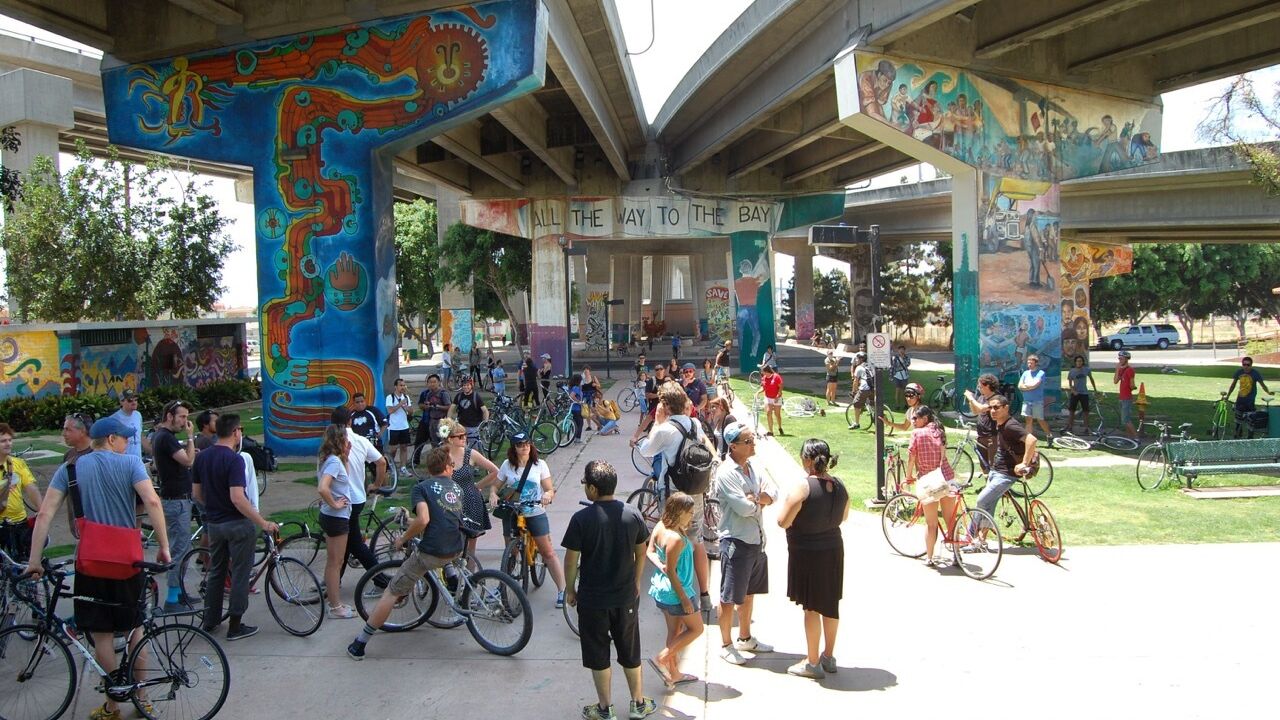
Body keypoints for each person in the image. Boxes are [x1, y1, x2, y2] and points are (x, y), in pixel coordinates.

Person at [26, 417, 169, 720]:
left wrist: (34, 559)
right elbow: (152, 502)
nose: (128, 443)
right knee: (135, 630)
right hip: (128, 561)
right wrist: (164, 546)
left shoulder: (70, 470)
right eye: (125, 438)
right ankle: (143, 699)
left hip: (91, 561)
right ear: (111, 439)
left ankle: (113, 705)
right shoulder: (131, 464)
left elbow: (45, 514)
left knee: (102, 635)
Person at [347, 446, 465, 661]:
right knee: (442, 559)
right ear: (447, 467)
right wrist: (411, 522)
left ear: (429, 468)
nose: (453, 468)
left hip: (432, 551)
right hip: (456, 548)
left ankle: (359, 644)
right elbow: (438, 519)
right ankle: (452, 578)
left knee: (391, 592)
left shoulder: (422, 488)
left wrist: (402, 539)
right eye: (452, 465)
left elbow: (424, 519)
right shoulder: (457, 488)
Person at [562, 461, 656, 720]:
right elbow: (641, 551)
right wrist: (636, 581)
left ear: (593, 489)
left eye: (585, 484)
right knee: (630, 650)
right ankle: (638, 704)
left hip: (592, 600)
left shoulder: (581, 519)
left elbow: (570, 560)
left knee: (598, 653)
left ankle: (605, 709)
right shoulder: (632, 515)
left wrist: (570, 589)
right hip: (625, 597)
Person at [192, 413, 279, 640]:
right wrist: (262, 522)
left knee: (217, 572)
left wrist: (214, 506)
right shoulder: (234, 459)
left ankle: (210, 620)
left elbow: (197, 493)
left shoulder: (202, 457)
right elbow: (238, 498)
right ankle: (235, 625)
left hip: (214, 524)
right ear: (235, 432)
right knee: (240, 574)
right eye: (240, 430)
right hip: (237, 524)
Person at [635, 385, 715, 615]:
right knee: (697, 541)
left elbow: (646, 450)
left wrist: (657, 423)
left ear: (667, 405)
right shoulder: (694, 423)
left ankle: (677, 594)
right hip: (695, 490)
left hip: (674, 493)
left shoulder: (665, 429)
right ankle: (704, 594)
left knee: (672, 542)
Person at [776, 439, 847, 679]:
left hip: (808, 552)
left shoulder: (803, 487)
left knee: (812, 608)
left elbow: (782, 521)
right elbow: (844, 516)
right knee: (830, 604)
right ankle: (829, 656)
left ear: (807, 459)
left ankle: (812, 662)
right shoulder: (840, 485)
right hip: (833, 549)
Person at [713, 422, 775, 666]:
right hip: (736, 542)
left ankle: (745, 638)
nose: (753, 443)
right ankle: (726, 645)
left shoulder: (752, 467)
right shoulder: (727, 473)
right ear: (733, 446)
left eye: (753, 439)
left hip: (756, 541)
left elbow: (773, 492)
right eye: (748, 441)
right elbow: (743, 508)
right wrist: (760, 501)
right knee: (729, 596)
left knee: (749, 593)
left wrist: (756, 498)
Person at [486, 432, 566, 606]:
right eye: (520, 444)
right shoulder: (507, 465)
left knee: (548, 552)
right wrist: (493, 494)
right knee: (510, 552)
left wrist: (547, 495)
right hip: (512, 512)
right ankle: (502, 586)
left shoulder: (540, 465)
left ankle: (562, 590)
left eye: (527, 443)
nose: (524, 447)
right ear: (514, 448)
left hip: (534, 511)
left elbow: (549, 489)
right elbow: (495, 486)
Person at [645, 492, 704, 687]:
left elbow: (650, 551)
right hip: (678, 592)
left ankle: (674, 674)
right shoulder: (676, 538)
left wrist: (661, 566)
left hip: (662, 590)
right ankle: (661, 658)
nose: (692, 515)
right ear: (679, 512)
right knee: (696, 629)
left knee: (674, 631)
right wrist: (685, 599)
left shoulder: (661, 526)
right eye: (690, 512)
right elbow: (672, 571)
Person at [151, 400, 197, 613]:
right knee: (179, 549)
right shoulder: (166, 438)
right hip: (176, 500)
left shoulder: (164, 437)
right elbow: (188, 461)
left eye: (187, 417)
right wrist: (190, 438)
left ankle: (179, 593)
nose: (185, 422)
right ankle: (172, 599)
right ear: (169, 416)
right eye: (182, 417)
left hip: (179, 498)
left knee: (184, 547)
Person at [331, 406, 388, 579]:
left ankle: (380, 579)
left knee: (354, 543)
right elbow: (381, 462)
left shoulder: (331, 443)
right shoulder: (361, 440)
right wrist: (376, 484)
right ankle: (334, 579)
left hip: (341, 499)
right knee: (346, 540)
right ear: (350, 421)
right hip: (357, 497)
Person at [439, 417, 498, 565]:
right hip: (450, 502)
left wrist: (478, 485)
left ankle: (471, 575)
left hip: (471, 501)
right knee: (451, 543)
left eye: (465, 435)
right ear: (450, 439)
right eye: (460, 436)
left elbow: (495, 471)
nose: (464, 438)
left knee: (470, 546)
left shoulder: (470, 453)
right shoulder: (441, 455)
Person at [904, 405, 958, 566]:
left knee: (931, 523)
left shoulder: (917, 433)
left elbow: (912, 458)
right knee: (951, 520)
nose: (912, 421)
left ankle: (929, 557)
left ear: (925, 418)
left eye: (915, 418)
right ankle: (957, 556)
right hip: (946, 477)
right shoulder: (939, 431)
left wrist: (908, 476)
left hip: (929, 481)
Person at [974, 396, 1038, 526]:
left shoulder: (1010, 425)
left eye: (996, 407)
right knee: (988, 505)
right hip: (996, 471)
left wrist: (1024, 463)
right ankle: (981, 536)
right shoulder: (999, 423)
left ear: (1006, 408)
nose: (993, 411)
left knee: (982, 501)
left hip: (1006, 474)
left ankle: (972, 534)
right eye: (990, 408)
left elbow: (1031, 440)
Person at [315, 424, 356, 618]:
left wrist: (346, 457)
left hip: (333, 516)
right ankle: (335, 607)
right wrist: (335, 504)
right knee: (335, 563)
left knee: (334, 561)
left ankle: (334, 601)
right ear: (340, 440)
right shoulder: (333, 462)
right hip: (336, 517)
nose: (348, 441)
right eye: (346, 438)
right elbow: (323, 488)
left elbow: (343, 479)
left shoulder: (331, 460)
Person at [0, 423, 42, 560]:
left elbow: (31, 488)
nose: (8, 444)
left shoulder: (18, 463)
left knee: (24, 561)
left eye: (9, 440)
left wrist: (41, 510)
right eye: (3, 441)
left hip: (20, 522)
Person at [963, 374, 1001, 471]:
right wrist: (970, 401)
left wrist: (971, 398)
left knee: (993, 466)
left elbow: (981, 408)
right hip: (981, 436)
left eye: (980, 386)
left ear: (987, 386)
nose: (979, 388)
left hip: (992, 437)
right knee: (984, 466)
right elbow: (975, 411)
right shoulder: (981, 398)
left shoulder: (996, 399)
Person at [1018, 355, 1051, 440]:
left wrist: (1026, 386)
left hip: (1037, 401)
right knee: (1028, 421)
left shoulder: (1041, 373)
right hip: (1026, 401)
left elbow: (1035, 385)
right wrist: (1029, 386)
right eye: (1028, 363)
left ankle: (1049, 435)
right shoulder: (1025, 373)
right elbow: (1019, 386)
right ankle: (1028, 439)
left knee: (1040, 420)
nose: (1029, 365)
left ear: (1036, 363)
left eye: (1031, 363)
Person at [384, 378, 413, 476]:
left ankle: (403, 468)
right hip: (394, 427)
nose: (403, 387)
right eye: (401, 385)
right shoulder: (390, 397)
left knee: (404, 447)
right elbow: (390, 411)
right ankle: (391, 466)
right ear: (395, 386)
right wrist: (400, 404)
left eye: (404, 385)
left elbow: (411, 411)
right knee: (393, 449)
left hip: (404, 426)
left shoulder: (406, 397)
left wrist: (407, 407)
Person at [448, 375, 489, 441]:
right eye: (464, 385)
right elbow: (451, 409)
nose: (466, 387)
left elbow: (485, 411)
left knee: (473, 445)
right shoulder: (459, 396)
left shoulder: (476, 397)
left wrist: (485, 422)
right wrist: (448, 420)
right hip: (461, 426)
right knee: (461, 445)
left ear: (471, 385)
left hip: (474, 427)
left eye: (468, 385)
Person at [1064, 355, 1098, 434]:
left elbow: (1091, 379)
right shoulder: (1072, 371)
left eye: (1080, 361)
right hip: (1075, 394)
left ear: (1083, 362)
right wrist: (1073, 391)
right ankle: (1070, 427)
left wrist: (1095, 390)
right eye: (1077, 361)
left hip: (1084, 393)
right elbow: (1070, 384)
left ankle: (1086, 428)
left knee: (1086, 411)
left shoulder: (1087, 370)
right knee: (1072, 411)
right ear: (1075, 362)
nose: (1079, 362)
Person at [416, 374, 450, 449]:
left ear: (439, 382)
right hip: (432, 421)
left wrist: (437, 406)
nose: (432, 384)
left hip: (442, 421)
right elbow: (422, 405)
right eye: (430, 382)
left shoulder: (443, 393)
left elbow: (449, 407)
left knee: (443, 443)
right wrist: (427, 406)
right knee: (434, 443)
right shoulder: (428, 394)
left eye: (434, 382)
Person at [109, 389, 146, 459]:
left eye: (136, 400)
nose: (134, 402)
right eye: (130, 400)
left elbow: (140, 435)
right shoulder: (114, 419)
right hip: (122, 461)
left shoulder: (138, 415)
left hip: (138, 460)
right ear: (121, 402)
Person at [1113, 350, 1138, 440]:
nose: (1120, 360)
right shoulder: (1121, 369)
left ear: (1127, 359)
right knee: (1125, 420)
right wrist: (1117, 369)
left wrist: (1132, 387)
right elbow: (1115, 381)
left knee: (1126, 420)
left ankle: (1136, 437)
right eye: (1119, 358)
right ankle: (1129, 438)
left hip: (1127, 398)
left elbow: (1132, 384)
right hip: (1122, 397)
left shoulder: (1130, 370)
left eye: (1121, 358)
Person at [848, 353, 873, 431]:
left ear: (861, 359)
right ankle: (876, 417)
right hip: (873, 388)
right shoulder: (870, 365)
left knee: (856, 404)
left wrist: (853, 391)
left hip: (864, 388)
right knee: (874, 404)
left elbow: (855, 381)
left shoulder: (859, 368)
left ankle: (856, 423)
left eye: (857, 359)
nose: (856, 360)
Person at [760, 364, 784, 437]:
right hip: (768, 398)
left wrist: (778, 396)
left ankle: (779, 427)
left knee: (777, 414)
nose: (762, 373)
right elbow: (763, 388)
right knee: (768, 413)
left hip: (777, 397)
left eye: (762, 371)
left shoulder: (776, 377)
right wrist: (758, 392)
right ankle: (771, 431)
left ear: (766, 371)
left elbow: (781, 387)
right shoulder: (764, 378)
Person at [568, 374, 586, 443]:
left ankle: (574, 437)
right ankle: (577, 439)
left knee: (575, 423)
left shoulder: (572, 387)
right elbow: (572, 396)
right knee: (580, 423)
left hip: (572, 408)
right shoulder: (576, 388)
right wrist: (579, 402)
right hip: (576, 408)